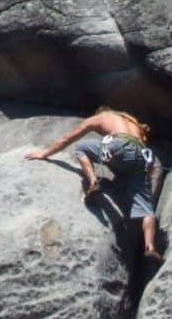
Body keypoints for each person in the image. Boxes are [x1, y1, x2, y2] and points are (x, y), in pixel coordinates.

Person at [25, 107, 164, 261]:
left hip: (120, 145)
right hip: (143, 157)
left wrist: (45, 153)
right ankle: (150, 247)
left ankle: (93, 182)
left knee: (81, 148)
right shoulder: (133, 122)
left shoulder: (101, 117)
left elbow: (69, 138)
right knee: (146, 210)